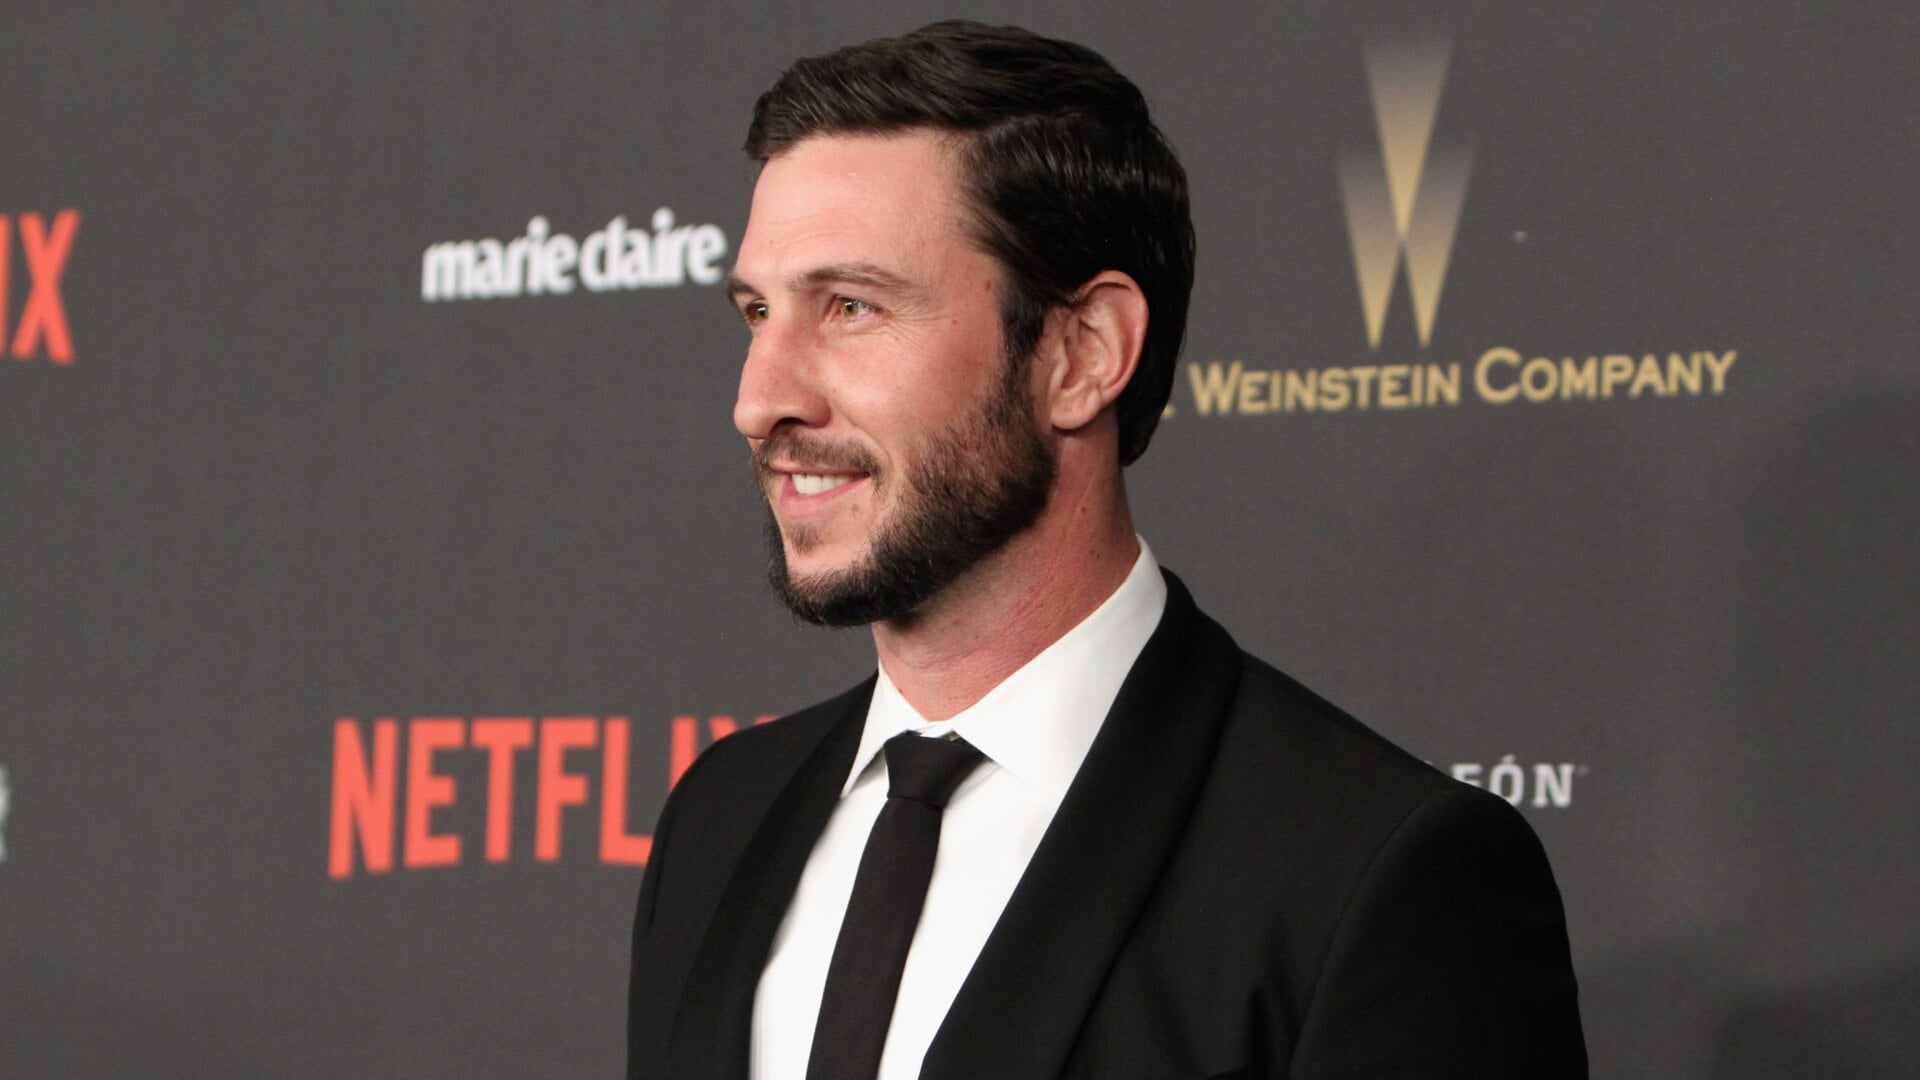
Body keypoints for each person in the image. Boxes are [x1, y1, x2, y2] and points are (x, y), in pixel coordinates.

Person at [628, 20, 1586, 1080]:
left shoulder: (1375, 878)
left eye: (850, 307)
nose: (759, 400)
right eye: (758, 311)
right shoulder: (721, 817)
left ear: (1081, 355)